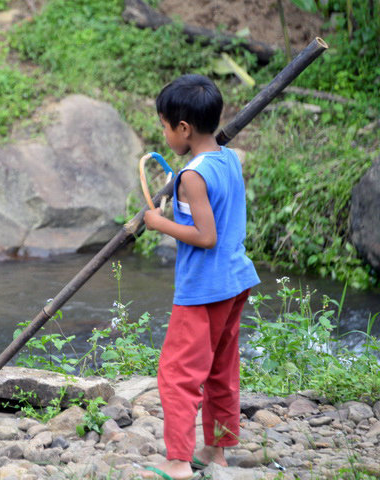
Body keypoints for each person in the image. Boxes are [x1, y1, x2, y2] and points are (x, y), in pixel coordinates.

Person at [141, 74, 260, 480]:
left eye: (164, 125)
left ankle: (177, 462)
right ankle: (217, 452)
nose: (164, 132)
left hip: (203, 291)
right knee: (221, 368)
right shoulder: (228, 158)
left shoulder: (191, 176)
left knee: (177, 374)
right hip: (235, 282)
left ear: (184, 129)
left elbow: (205, 237)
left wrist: (158, 223)